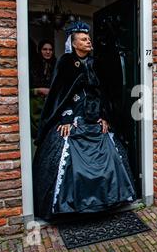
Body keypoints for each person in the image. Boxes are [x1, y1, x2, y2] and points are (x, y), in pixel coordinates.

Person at [32, 21, 136, 221]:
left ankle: (104, 203)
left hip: (94, 117)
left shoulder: (95, 63)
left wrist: (104, 116)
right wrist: (66, 117)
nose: (88, 41)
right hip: (72, 118)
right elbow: (59, 94)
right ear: (74, 43)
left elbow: (101, 94)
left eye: (89, 38)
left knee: (111, 156)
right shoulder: (65, 62)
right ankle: (71, 207)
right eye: (83, 39)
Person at [29, 39, 56, 139]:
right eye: (45, 49)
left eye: (50, 49)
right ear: (40, 50)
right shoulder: (32, 67)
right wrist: (38, 90)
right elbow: (24, 90)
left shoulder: (56, 66)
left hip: (50, 106)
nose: (48, 52)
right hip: (35, 106)